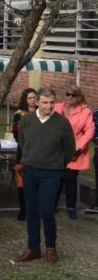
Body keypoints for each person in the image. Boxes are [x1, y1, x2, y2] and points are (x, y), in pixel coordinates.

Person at [16, 87, 75, 264]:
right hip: (30, 171)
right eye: (44, 103)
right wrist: (31, 158)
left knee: (47, 211)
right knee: (32, 211)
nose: (48, 106)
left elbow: (69, 151)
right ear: (37, 102)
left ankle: (51, 248)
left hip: (52, 173)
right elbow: (23, 142)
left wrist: (55, 164)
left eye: (51, 103)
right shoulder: (27, 121)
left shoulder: (62, 123)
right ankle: (33, 248)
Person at [54, 85, 94, 220]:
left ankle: (71, 208)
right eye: (68, 94)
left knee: (70, 179)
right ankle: (52, 205)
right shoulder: (56, 107)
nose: (70, 97)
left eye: (73, 95)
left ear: (79, 97)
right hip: (56, 150)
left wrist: (78, 147)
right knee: (55, 178)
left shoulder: (85, 111)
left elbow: (90, 131)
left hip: (74, 151)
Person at [11, 88, 37, 221]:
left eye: (34, 97)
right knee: (22, 182)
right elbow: (15, 133)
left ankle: (34, 210)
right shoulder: (19, 114)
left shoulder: (41, 112)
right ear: (25, 99)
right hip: (23, 151)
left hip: (38, 152)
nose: (32, 100)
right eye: (30, 98)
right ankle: (23, 210)